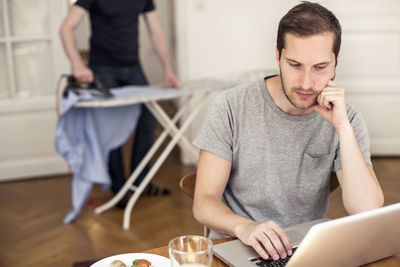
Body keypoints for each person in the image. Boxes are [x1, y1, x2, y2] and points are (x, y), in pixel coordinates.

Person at [192, 1, 384, 262]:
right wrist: (244, 227)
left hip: (306, 251)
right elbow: (203, 201)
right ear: (277, 56)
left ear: (336, 62)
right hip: (237, 243)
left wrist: (342, 128)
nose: (306, 83)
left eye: (320, 68)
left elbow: (367, 209)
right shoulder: (230, 107)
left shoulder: (346, 118)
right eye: (295, 65)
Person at [59, 0, 180, 205]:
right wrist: (78, 65)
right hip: (103, 68)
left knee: (148, 120)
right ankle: (119, 188)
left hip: (133, 67)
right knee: (111, 127)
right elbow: (66, 28)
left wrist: (168, 68)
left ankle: (141, 182)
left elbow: (155, 32)